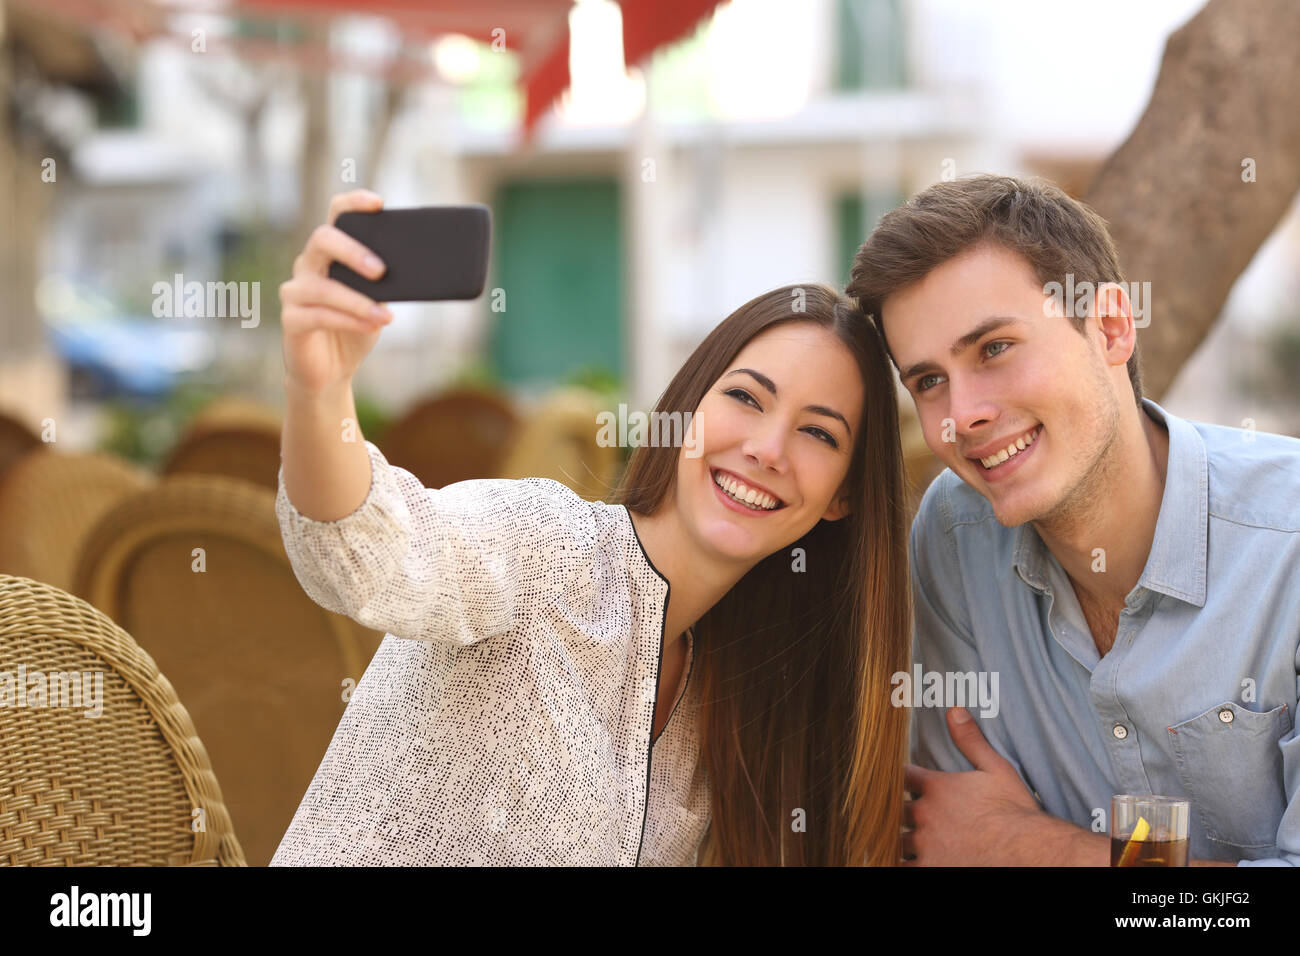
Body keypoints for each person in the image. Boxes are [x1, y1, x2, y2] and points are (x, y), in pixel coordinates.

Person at [270, 189, 911, 865]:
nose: (767, 449)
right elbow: (365, 554)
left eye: (818, 432)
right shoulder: (546, 546)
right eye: (746, 398)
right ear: (685, 411)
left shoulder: (737, 704)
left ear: (843, 497)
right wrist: (319, 391)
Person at [848, 174, 1300, 866]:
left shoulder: (1287, 545)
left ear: (1111, 326)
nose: (961, 414)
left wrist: (1031, 849)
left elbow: (983, 845)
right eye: (928, 380)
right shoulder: (955, 534)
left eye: (994, 348)